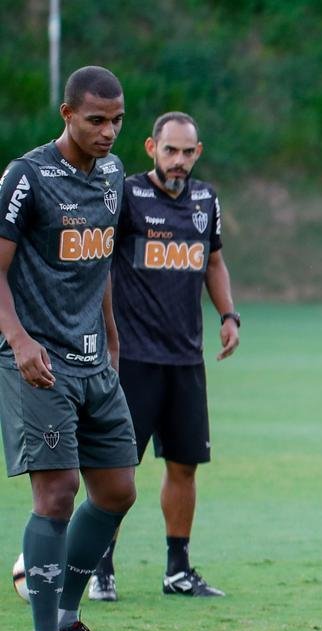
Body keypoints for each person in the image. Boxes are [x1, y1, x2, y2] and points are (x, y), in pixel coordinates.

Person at [0, 66, 138, 631]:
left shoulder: (111, 175)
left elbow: (100, 259)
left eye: (117, 120)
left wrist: (110, 333)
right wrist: (18, 338)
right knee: (56, 496)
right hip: (38, 362)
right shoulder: (26, 177)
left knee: (116, 492)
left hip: (92, 358)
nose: (109, 132)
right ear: (66, 114)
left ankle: (70, 621)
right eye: (96, 120)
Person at [91, 111, 239, 602]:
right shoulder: (128, 196)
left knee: (184, 465)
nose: (179, 161)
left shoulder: (205, 199)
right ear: (152, 149)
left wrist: (228, 315)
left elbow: (213, 260)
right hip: (132, 358)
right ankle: (101, 567)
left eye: (187, 152)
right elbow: (101, 262)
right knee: (118, 467)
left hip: (184, 358)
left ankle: (178, 569)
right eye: (170, 150)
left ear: (198, 153)